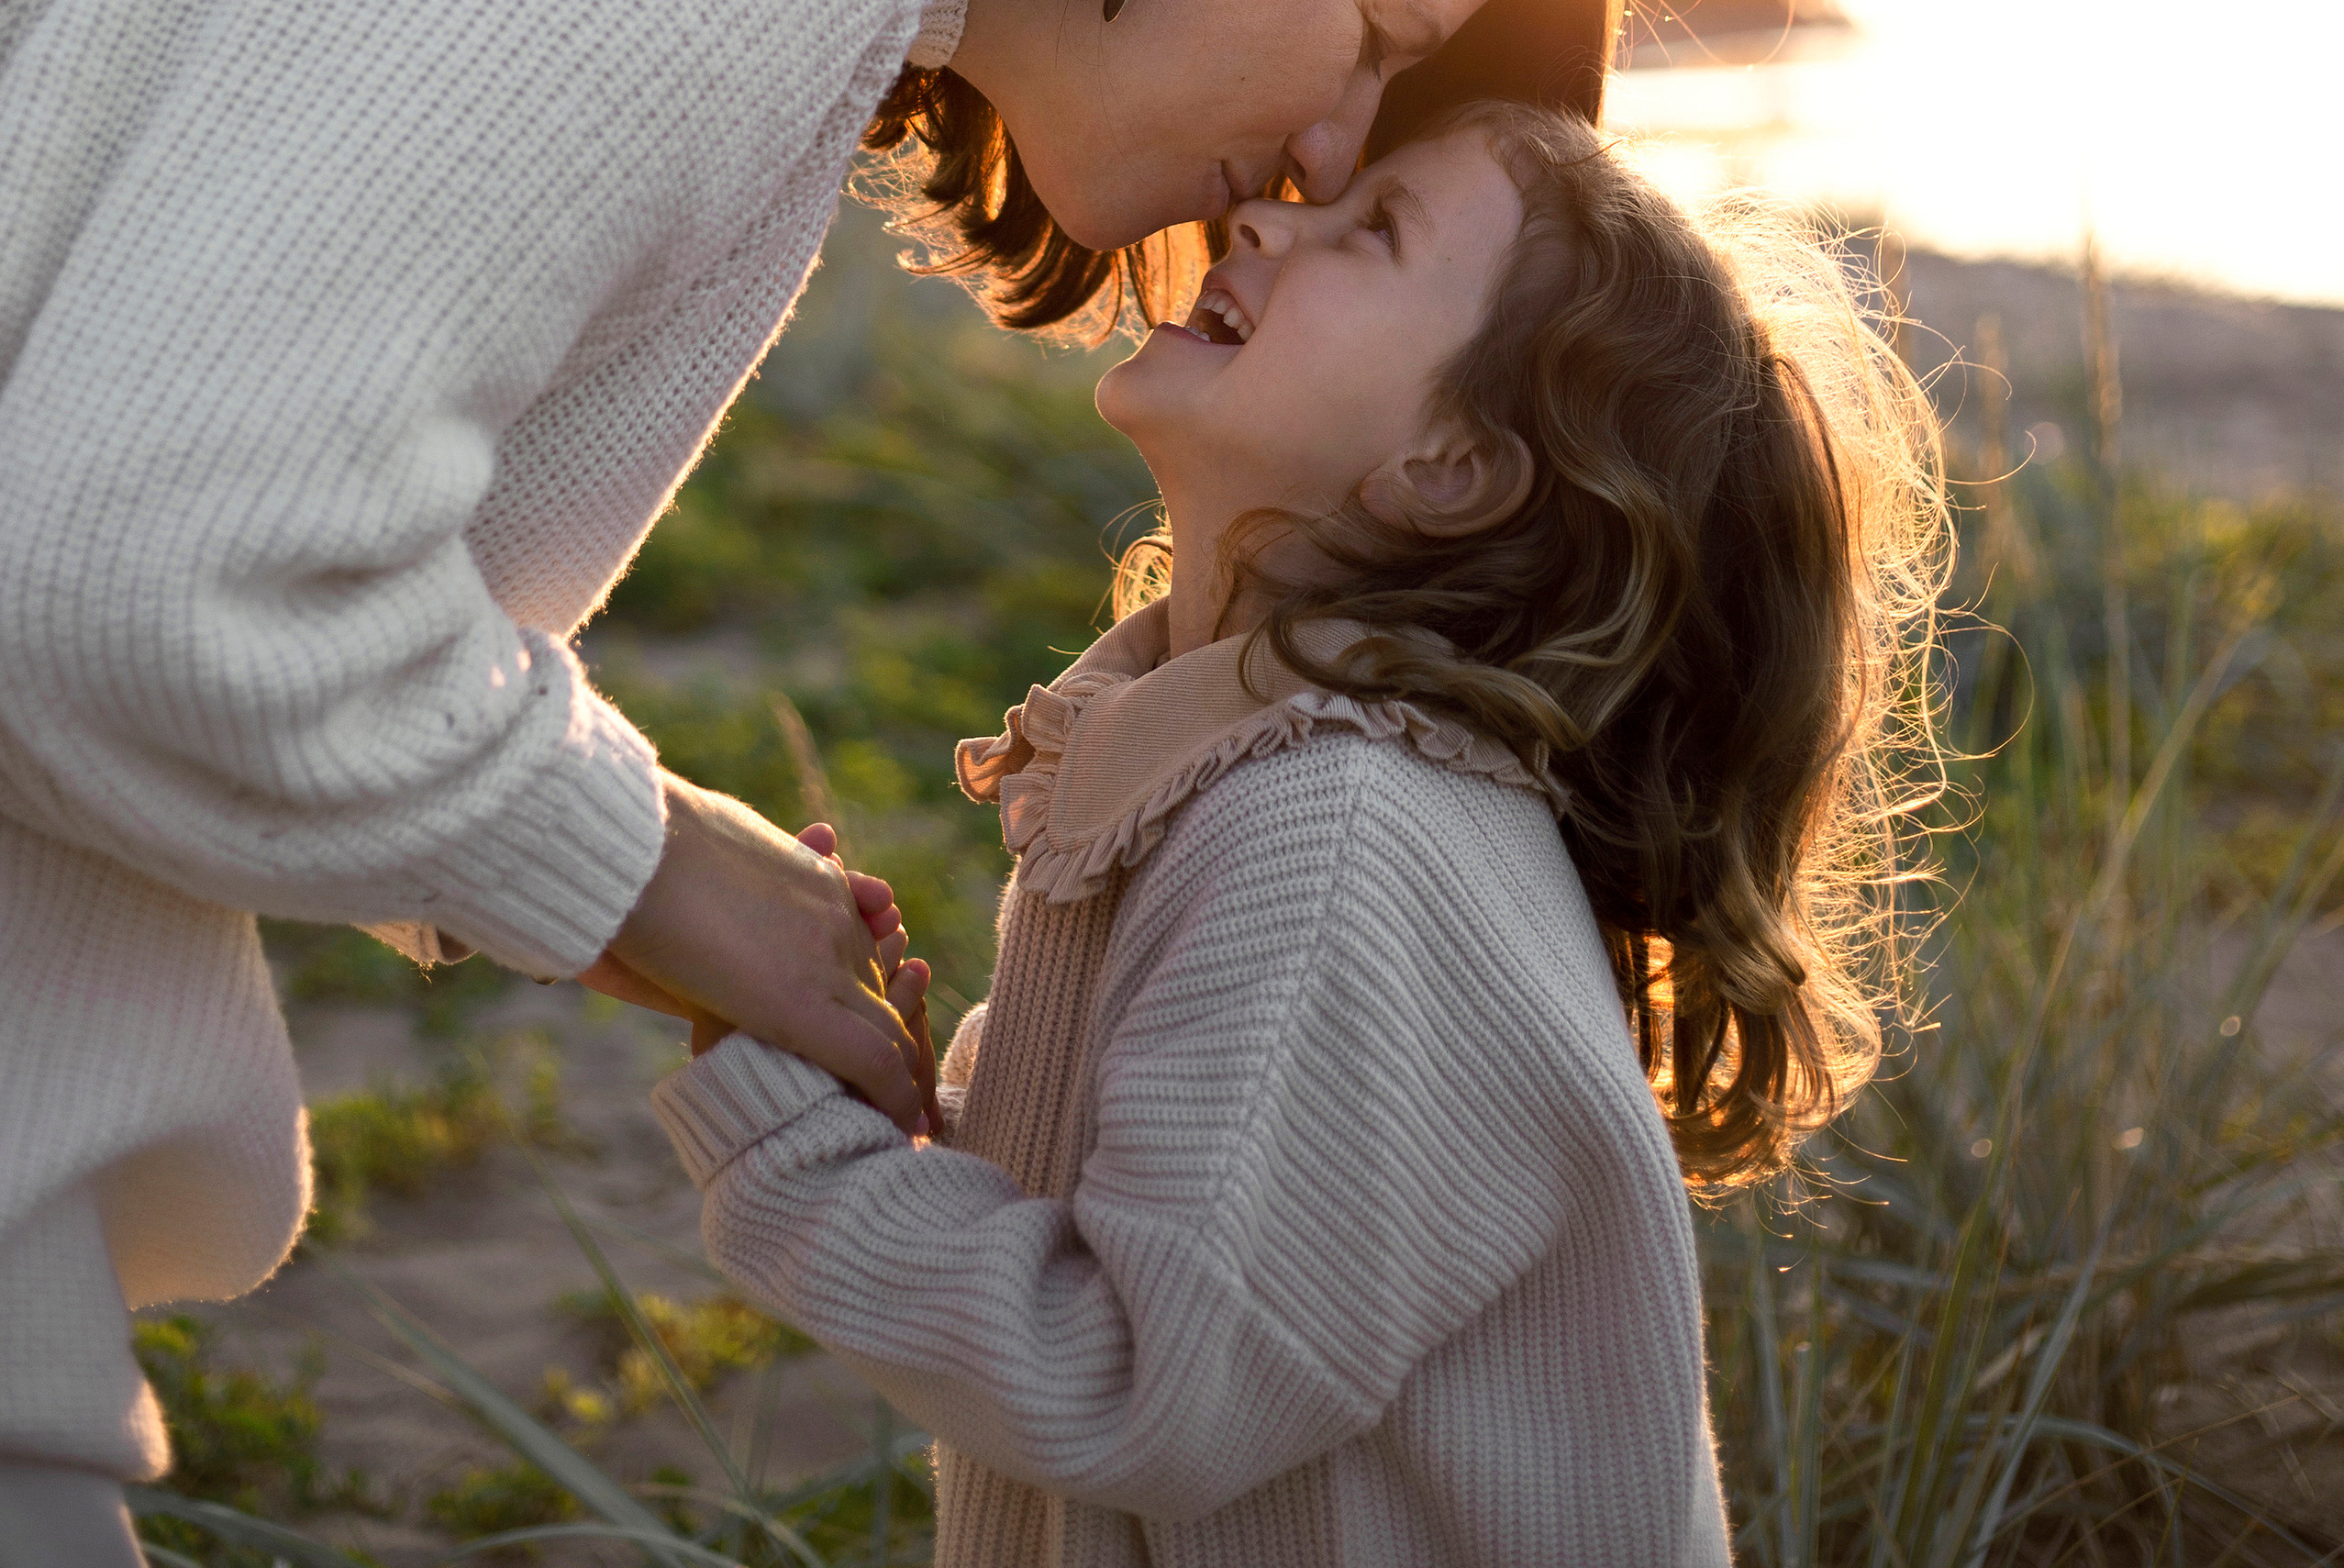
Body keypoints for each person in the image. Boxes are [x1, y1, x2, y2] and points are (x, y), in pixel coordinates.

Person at [0, 0, 1612, 1563]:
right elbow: (152, 576)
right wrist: (638, 870)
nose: (1310, 159)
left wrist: (621, 869)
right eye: (1373, 43)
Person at [651, 105, 1950, 1568]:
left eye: (1373, 231)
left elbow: (1148, 1384)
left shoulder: (1332, 837)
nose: (1269, 219)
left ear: (1455, 464)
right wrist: (921, 1108)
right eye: (1302, 200)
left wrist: (802, 1142)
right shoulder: (1237, 764)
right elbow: (1186, 1221)